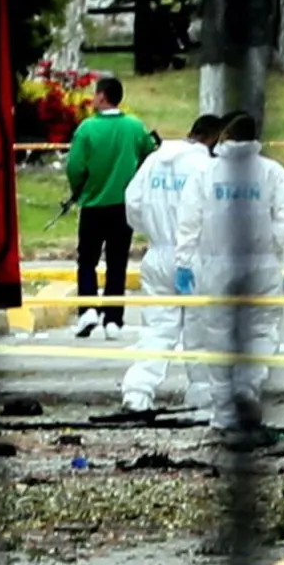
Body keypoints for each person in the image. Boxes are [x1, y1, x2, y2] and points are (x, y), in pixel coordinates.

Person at [174, 113, 284, 431]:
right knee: (261, 330)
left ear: (225, 138)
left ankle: (224, 412)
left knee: (218, 337)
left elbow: (189, 219)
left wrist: (183, 260)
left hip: (217, 267)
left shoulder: (207, 173)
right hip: (261, 267)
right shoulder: (271, 173)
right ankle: (248, 385)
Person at [120, 114, 224, 412]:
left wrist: (156, 230)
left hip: (158, 254)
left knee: (156, 329)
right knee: (200, 330)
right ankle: (202, 393)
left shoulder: (154, 161)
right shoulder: (206, 167)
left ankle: (138, 392)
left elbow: (133, 204)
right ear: (213, 140)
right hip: (196, 257)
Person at [66, 76, 158, 339]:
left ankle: (88, 310)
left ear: (103, 96)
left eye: (95, 94)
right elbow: (149, 155)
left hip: (93, 205)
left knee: (87, 260)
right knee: (117, 262)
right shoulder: (134, 127)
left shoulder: (86, 129)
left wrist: (78, 189)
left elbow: (75, 167)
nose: (93, 99)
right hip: (123, 207)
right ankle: (113, 319)